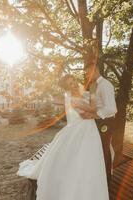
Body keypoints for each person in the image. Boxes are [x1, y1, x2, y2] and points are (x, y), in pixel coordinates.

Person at [17, 74, 109, 200]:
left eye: (74, 81)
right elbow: (92, 109)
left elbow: (94, 110)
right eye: (70, 84)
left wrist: (95, 105)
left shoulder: (83, 94)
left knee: (91, 158)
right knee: (79, 159)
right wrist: (94, 94)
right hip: (81, 131)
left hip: (89, 130)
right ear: (68, 88)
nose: (75, 84)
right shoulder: (73, 100)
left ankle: (91, 187)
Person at [74, 62, 118, 194]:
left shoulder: (105, 85)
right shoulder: (94, 85)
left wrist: (93, 115)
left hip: (106, 122)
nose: (86, 75)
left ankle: (106, 182)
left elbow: (111, 108)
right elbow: (97, 103)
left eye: (87, 72)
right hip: (99, 121)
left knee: (104, 151)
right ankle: (98, 179)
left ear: (94, 70)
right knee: (97, 150)